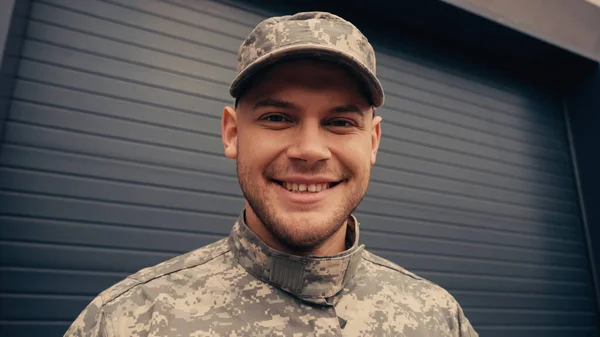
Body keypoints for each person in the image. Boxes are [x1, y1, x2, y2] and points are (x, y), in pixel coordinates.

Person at [65, 11, 478, 337]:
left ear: (372, 142)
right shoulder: (123, 322)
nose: (310, 151)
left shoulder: (439, 318)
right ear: (232, 134)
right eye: (277, 117)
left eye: (340, 122)